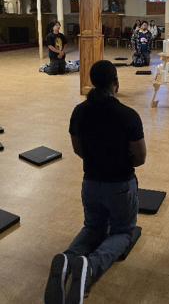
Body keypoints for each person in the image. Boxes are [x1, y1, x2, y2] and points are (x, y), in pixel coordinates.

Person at [44, 61, 146, 304]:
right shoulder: (128, 115)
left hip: (90, 182)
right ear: (115, 84)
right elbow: (140, 158)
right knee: (123, 231)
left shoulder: (79, 112)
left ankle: (68, 259)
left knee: (93, 227)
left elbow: (78, 148)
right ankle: (89, 268)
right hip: (120, 184)